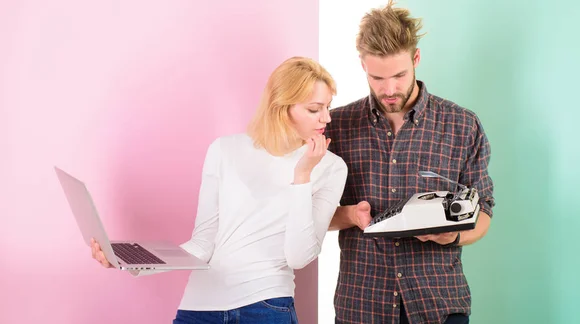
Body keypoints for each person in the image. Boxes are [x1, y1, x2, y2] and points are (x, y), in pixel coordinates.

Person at [90, 56, 348, 324]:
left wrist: (302, 174)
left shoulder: (330, 168)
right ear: (281, 107)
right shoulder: (225, 150)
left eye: (328, 106)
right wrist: (128, 261)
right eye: (315, 109)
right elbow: (202, 244)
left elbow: (298, 257)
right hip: (199, 307)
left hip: (266, 306)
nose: (327, 118)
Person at [325, 2, 495, 324]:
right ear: (362, 64)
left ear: (416, 59)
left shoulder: (462, 125)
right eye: (377, 77)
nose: (389, 90)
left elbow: (484, 210)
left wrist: (453, 236)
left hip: (438, 305)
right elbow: (311, 215)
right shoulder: (337, 126)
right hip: (361, 306)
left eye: (400, 75)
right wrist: (350, 215)